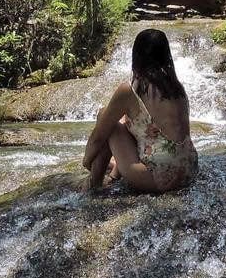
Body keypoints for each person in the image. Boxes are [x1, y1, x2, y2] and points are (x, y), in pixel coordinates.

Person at [81, 28, 198, 193]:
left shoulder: (130, 91)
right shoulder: (176, 87)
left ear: (137, 56)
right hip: (189, 171)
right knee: (133, 124)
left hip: (158, 179)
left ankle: (94, 186)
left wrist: (87, 161)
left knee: (106, 117)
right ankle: (113, 177)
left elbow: (98, 138)